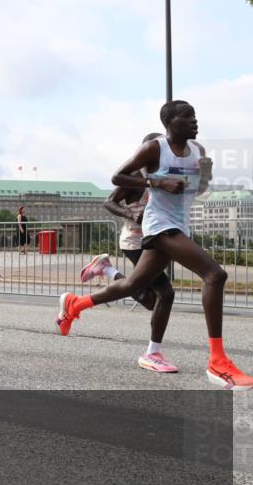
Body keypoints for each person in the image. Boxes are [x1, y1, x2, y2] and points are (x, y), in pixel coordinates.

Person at [56, 100, 253, 389]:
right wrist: (157, 184)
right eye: (187, 117)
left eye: (195, 117)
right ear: (169, 123)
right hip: (158, 224)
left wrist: (206, 174)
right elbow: (116, 177)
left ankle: (75, 304)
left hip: (179, 224)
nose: (195, 122)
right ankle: (217, 361)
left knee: (133, 285)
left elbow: (199, 189)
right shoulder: (155, 148)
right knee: (215, 274)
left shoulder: (198, 151)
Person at [79, 133, 177, 373]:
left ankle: (107, 269)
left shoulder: (167, 174)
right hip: (135, 242)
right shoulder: (134, 177)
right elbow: (109, 202)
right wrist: (130, 214)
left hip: (155, 241)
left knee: (154, 300)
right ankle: (152, 354)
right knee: (164, 293)